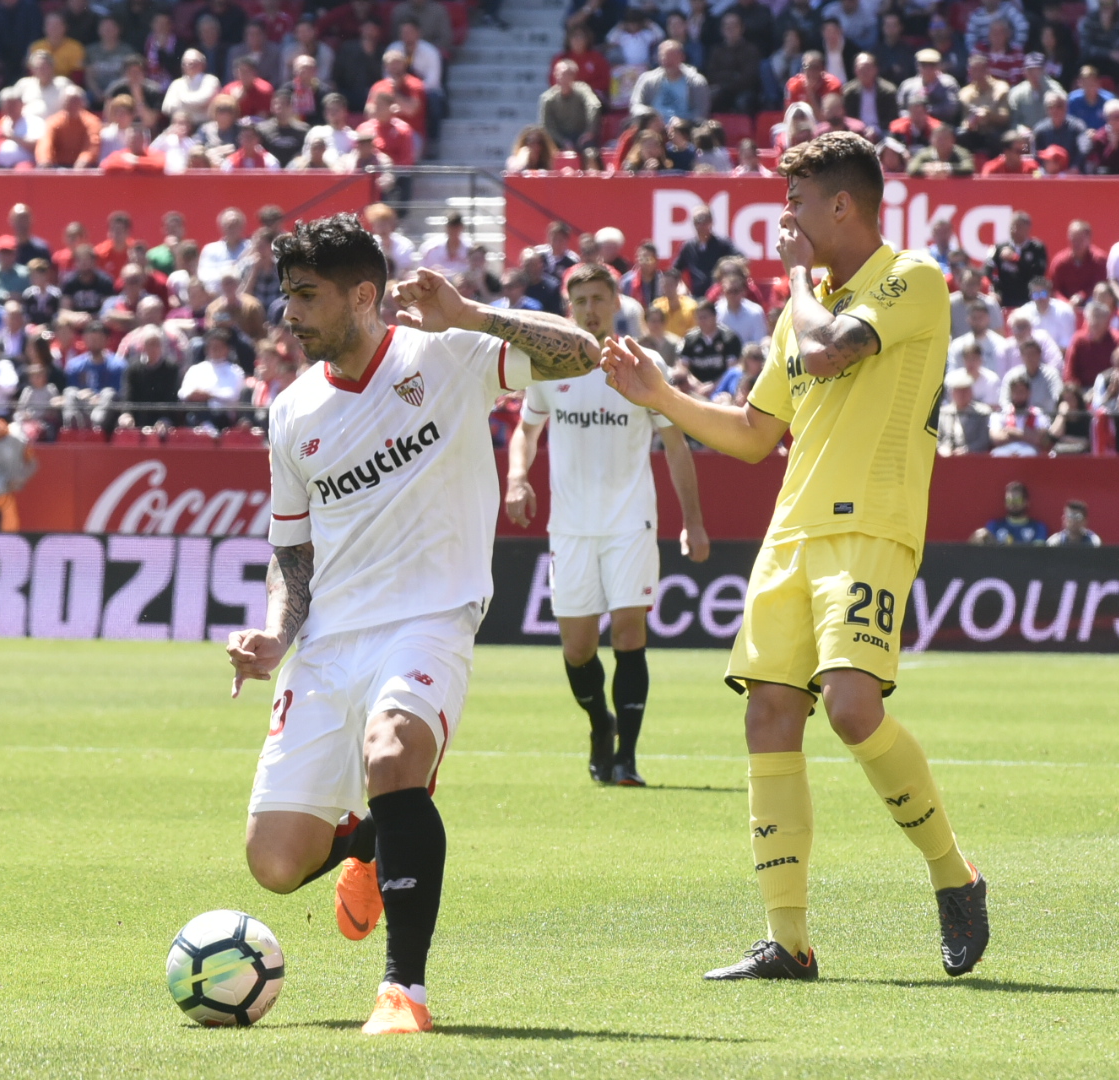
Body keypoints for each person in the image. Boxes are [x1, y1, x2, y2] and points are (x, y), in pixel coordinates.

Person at [600, 131, 987, 982]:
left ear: (841, 205)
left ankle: (955, 876)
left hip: (870, 529)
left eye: (797, 202)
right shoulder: (800, 309)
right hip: (791, 535)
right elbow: (750, 434)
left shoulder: (911, 278)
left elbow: (832, 349)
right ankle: (789, 940)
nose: (785, 217)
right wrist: (660, 394)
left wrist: (793, 285)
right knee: (768, 716)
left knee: (851, 708)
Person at [225, 214, 600, 1034]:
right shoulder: (291, 412)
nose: (290, 313)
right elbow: (293, 555)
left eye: (306, 295)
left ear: (365, 295)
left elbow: (582, 352)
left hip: (429, 618)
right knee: (275, 863)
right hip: (328, 643)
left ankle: (405, 992)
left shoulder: (448, 353)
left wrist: (472, 313)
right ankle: (367, 840)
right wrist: (274, 636)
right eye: (286, 294)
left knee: (393, 752)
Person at [504, 263, 708, 785]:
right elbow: (525, 431)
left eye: (598, 298)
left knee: (628, 631)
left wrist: (693, 522)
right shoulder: (552, 366)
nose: (589, 309)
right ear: (569, 308)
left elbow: (678, 445)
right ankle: (601, 725)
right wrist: (518, 477)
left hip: (630, 522)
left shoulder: (644, 362)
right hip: (570, 526)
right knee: (577, 649)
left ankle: (627, 759)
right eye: (580, 301)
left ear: (616, 303)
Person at [972, 480, 1048, 543]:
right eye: (1009, 500)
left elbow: (1038, 554)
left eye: (1017, 500)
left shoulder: (1038, 527)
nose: (1013, 504)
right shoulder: (994, 526)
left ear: (1026, 502)